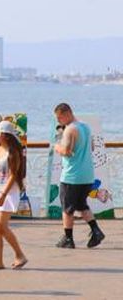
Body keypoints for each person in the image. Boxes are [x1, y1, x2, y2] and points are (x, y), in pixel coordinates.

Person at [52, 103, 106, 249]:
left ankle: (68, 238)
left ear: (67, 114)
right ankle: (96, 231)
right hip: (87, 175)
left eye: (59, 118)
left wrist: (56, 147)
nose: (58, 121)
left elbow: (66, 151)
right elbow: (92, 147)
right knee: (81, 205)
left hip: (72, 176)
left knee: (67, 208)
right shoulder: (85, 127)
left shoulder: (70, 129)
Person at [0, 121, 28, 270]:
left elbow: (13, 175)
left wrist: (3, 194)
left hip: (8, 191)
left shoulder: (13, 153)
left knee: (0, 225)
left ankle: (20, 254)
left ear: (7, 136)